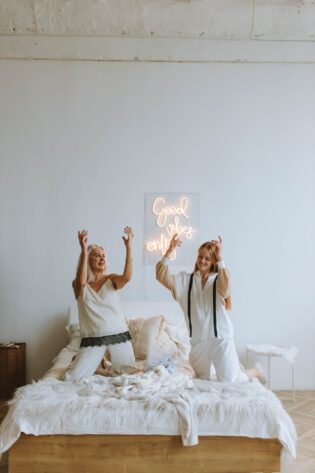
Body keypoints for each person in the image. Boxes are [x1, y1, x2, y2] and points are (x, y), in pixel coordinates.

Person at [156, 234, 265, 383]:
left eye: (208, 258)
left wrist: (220, 258)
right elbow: (162, 277)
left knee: (230, 380)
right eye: (200, 257)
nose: (202, 261)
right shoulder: (185, 281)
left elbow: (226, 289)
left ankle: (255, 371)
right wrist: (169, 251)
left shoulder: (218, 280)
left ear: (213, 261)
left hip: (220, 337)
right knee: (202, 380)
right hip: (198, 340)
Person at [65, 227, 136, 381]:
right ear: (88, 260)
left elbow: (127, 277)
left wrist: (129, 247)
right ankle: (100, 362)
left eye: (104, 256)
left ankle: (103, 364)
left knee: (129, 377)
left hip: (119, 336)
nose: (102, 258)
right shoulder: (78, 286)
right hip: (92, 339)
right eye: (97, 256)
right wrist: (84, 250)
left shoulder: (111, 279)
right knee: (72, 379)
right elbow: (82, 281)